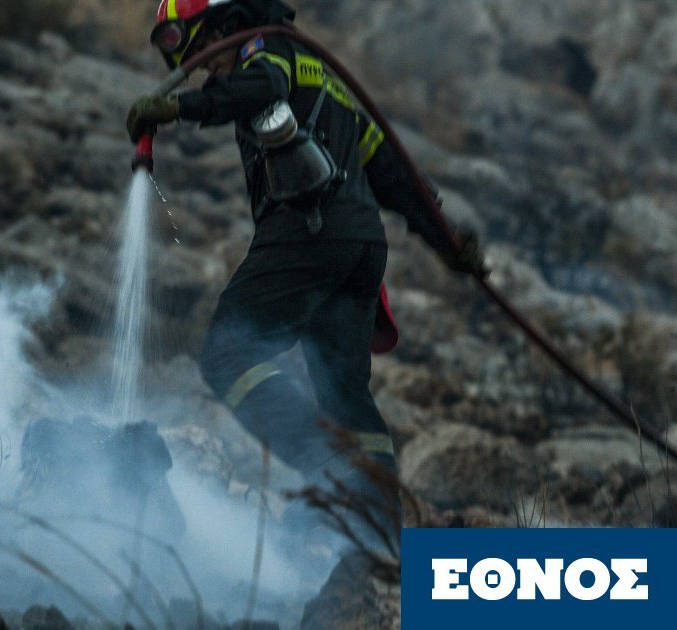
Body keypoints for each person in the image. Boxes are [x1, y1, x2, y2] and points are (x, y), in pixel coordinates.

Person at [126, 0, 486, 529]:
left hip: (307, 234)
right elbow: (388, 167)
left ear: (227, 25)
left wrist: (182, 107)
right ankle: (381, 532)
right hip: (359, 247)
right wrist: (446, 242)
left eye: (204, 48)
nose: (206, 66)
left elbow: (261, 87)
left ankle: (330, 470)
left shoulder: (264, 50)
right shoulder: (321, 75)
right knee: (346, 396)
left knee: (226, 356)